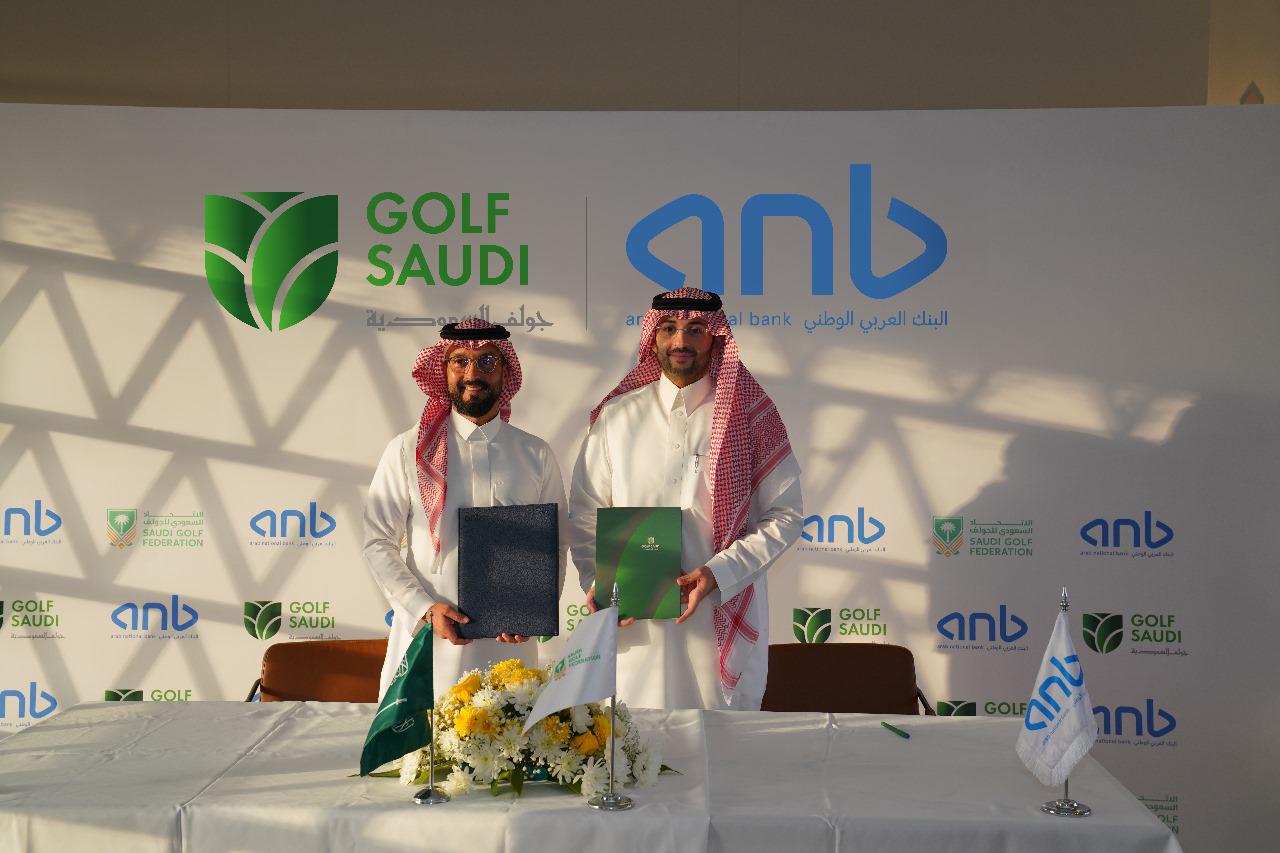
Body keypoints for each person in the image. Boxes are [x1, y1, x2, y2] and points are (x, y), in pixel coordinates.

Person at [570, 287, 803, 710]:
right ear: (652, 337)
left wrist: (719, 573)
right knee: (634, 738)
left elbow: (785, 516)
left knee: (718, 740)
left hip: (716, 615)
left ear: (715, 337)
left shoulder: (751, 415)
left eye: (695, 329)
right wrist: (598, 582)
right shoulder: (617, 416)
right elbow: (587, 513)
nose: (681, 341)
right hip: (633, 624)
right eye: (669, 328)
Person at [364, 318, 567, 700]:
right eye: (460, 361)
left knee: (509, 735)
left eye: (487, 361)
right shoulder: (407, 450)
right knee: (424, 739)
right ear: (443, 370)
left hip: (510, 650)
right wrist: (424, 609)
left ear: (505, 371)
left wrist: (532, 610)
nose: (473, 374)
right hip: (428, 644)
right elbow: (378, 543)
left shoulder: (535, 453)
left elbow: (554, 544)